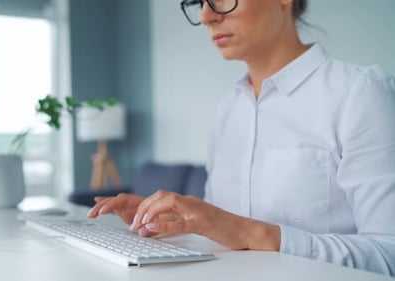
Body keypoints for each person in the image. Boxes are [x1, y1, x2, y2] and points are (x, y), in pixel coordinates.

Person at [87, 0, 395, 275]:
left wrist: (255, 234)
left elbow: (389, 254)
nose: (207, 16)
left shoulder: (360, 92)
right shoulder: (228, 110)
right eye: (199, 3)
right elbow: (219, 229)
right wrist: (174, 222)